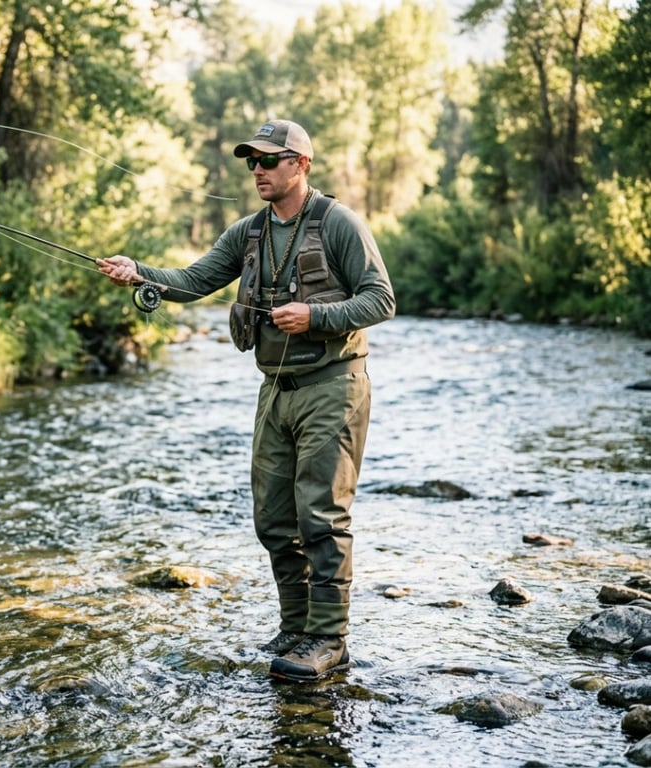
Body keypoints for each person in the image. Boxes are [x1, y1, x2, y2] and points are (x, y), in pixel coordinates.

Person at [97, 119, 395, 682]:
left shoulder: (339, 224)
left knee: (322, 517)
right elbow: (192, 280)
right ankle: (296, 626)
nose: (256, 169)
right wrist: (140, 273)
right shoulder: (249, 233)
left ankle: (329, 641)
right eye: (250, 161)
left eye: (267, 159)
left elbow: (381, 299)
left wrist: (316, 316)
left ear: (300, 164)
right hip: (275, 390)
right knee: (274, 519)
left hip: (334, 385)